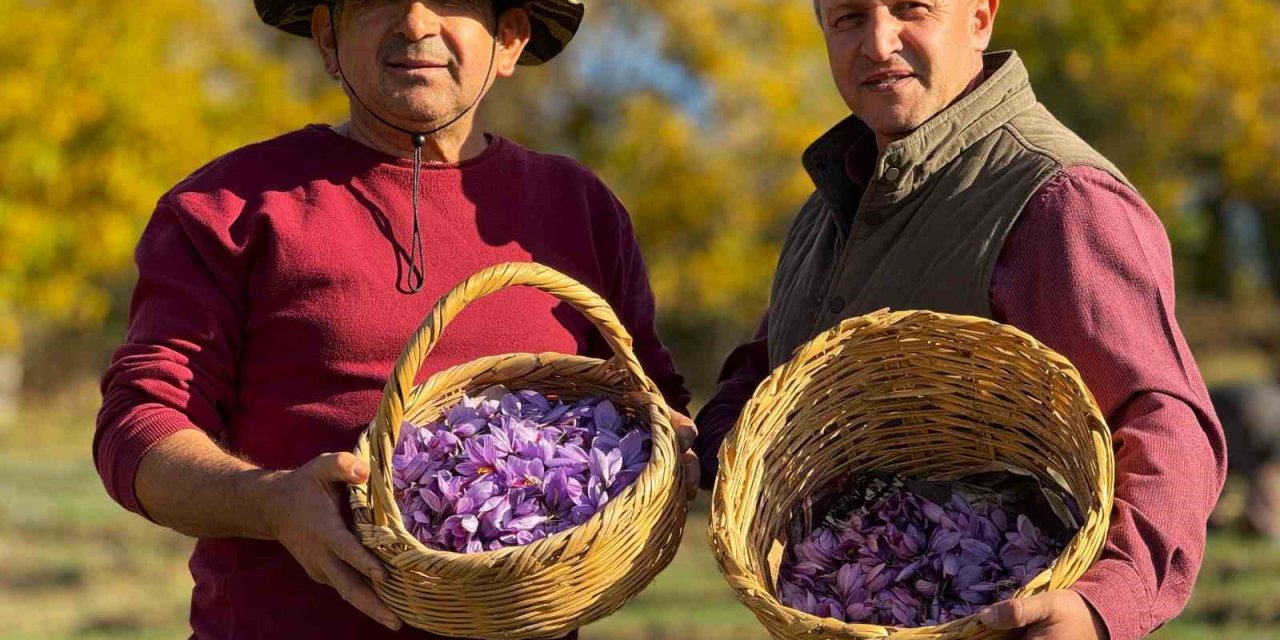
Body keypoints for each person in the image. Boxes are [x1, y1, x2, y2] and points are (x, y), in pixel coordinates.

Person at [93, 0, 698, 637]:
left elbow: (653, 404)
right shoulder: (230, 207)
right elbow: (138, 428)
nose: (415, 22)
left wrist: (674, 453)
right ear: (328, 38)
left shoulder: (580, 211)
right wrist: (272, 502)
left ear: (511, 40)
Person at [695, 1, 1227, 638]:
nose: (878, 42)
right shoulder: (833, 204)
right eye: (848, 17)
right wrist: (691, 447)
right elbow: (776, 371)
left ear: (980, 17)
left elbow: (1166, 421)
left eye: (910, 8)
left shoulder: (1055, 198)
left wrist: (1099, 603)